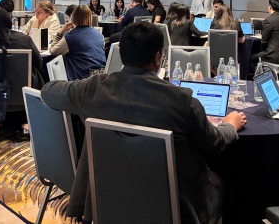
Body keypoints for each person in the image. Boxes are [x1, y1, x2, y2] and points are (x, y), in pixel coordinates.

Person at [37, 21, 246, 223]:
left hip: (108, 195)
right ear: (158, 58)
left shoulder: (93, 89)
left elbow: (48, 92)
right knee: (225, 182)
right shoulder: (182, 100)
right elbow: (214, 143)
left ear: (122, 55)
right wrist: (230, 124)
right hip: (177, 206)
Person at [0, 8, 42, 138]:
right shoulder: (24, 39)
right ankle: (27, 123)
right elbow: (39, 63)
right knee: (36, 73)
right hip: (24, 93)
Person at [48, 5, 106, 80]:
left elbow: (52, 51)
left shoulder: (72, 37)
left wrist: (61, 31)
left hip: (81, 80)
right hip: (100, 78)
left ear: (73, 17)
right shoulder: (99, 35)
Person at [253, 0, 279, 66]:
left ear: (270, 7)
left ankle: (261, 76)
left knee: (251, 58)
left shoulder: (269, 20)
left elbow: (264, 41)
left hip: (271, 56)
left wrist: (261, 52)